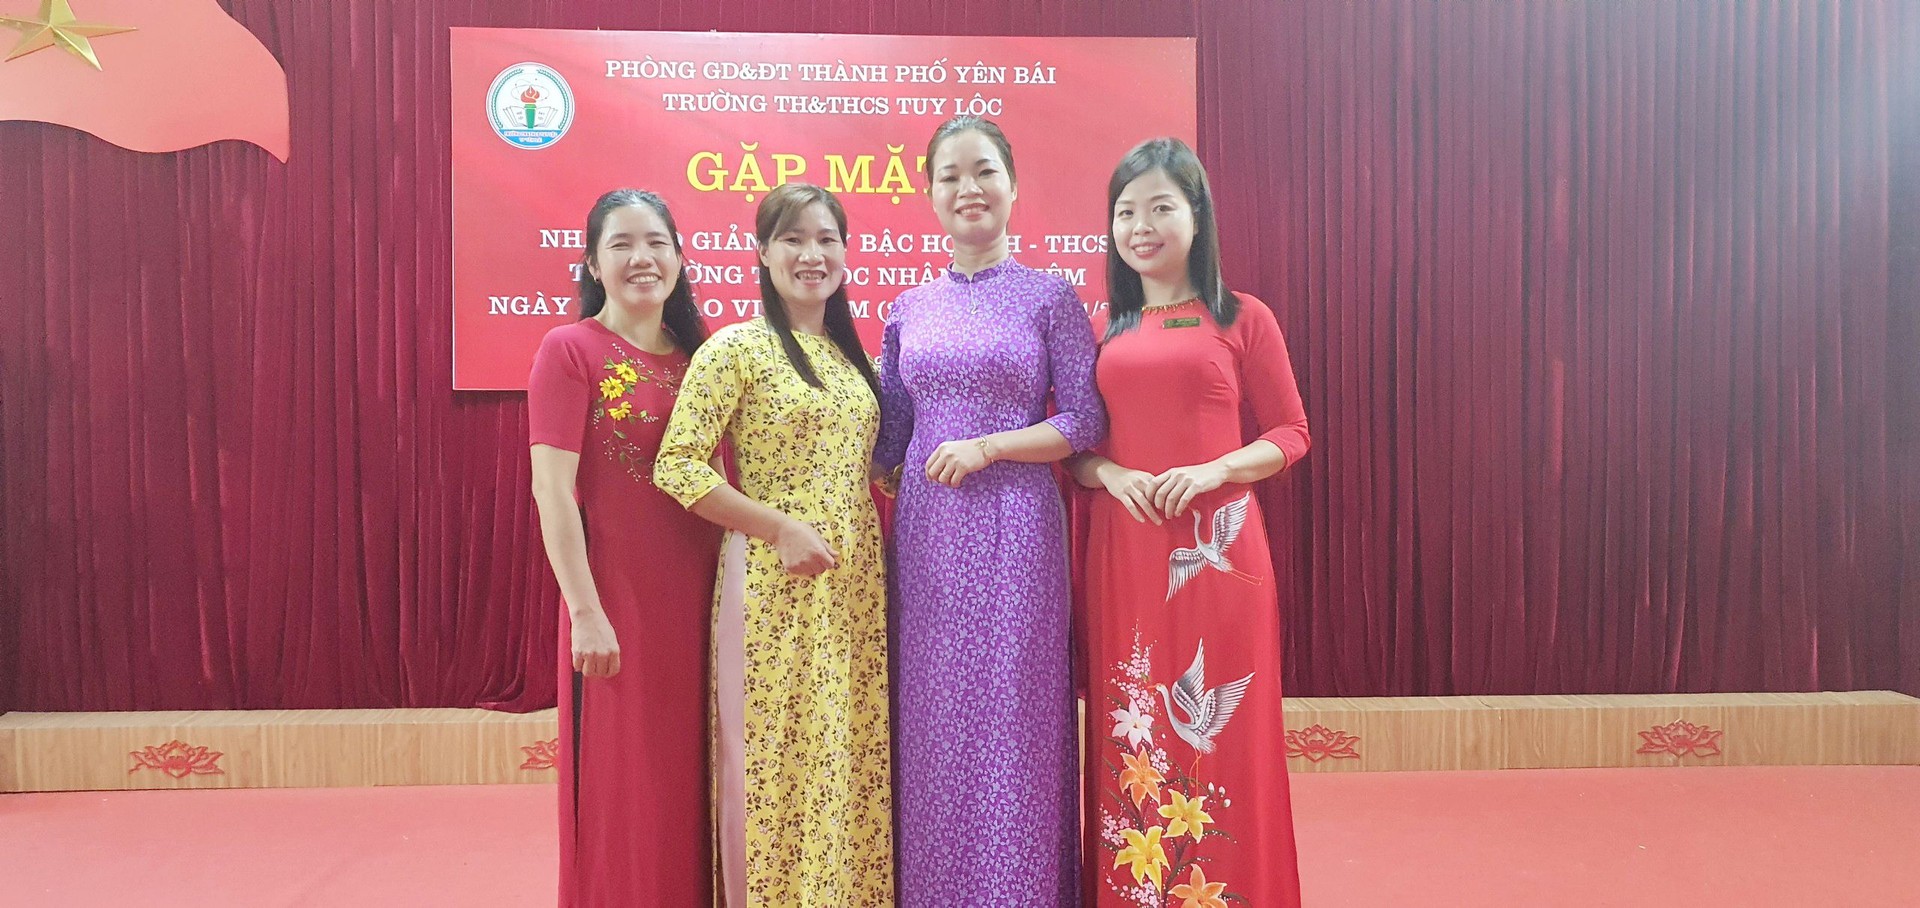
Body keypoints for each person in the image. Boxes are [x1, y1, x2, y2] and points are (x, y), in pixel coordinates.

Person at [1070, 137, 1311, 906]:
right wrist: (1111, 474)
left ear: (1197, 216)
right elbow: (1077, 451)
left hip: (1218, 552)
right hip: (1127, 549)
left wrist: (1215, 471)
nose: (1140, 226)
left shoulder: (1242, 317)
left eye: (1160, 208)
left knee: (1221, 734)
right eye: (1125, 212)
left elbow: (1292, 434)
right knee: (1134, 719)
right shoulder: (1105, 327)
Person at [875, 115, 1105, 906]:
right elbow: (888, 437)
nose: (968, 188)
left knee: (1016, 718)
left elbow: (1084, 421)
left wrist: (990, 447)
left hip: (1018, 535)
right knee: (933, 722)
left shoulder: (1051, 297)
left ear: (1013, 186)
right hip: (928, 541)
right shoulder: (907, 308)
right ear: (929, 193)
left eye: (984, 172)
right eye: (950, 175)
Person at [654, 182, 894, 907]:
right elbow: (677, 465)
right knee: (774, 765)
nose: (811, 254)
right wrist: (779, 527)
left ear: (846, 253)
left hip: (853, 593)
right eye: (792, 239)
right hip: (771, 586)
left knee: (844, 762)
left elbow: (873, 469)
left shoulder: (854, 361)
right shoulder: (737, 348)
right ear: (762, 252)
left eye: (826, 239)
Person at [527, 189, 718, 907]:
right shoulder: (570, 350)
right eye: (622, 244)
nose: (642, 258)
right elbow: (552, 491)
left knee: (702, 778)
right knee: (629, 786)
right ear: (592, 263)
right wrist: (585, 611)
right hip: (619, 607)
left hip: (710, 605)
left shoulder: (705, 358)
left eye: (656, 243)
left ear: (679, 258)